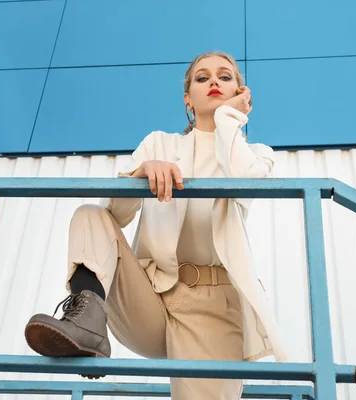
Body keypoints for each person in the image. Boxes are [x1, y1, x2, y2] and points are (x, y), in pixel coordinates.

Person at [24, 51, 285, 400]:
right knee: (90, 214)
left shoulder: (257, 154)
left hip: (213, 305)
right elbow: (113, 216)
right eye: (202, 78)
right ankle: (86, 320)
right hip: (150, 295)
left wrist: (228, 119)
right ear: (187, 99)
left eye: (225, 77)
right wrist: (140, 173)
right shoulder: (159, 144)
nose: (213, 83)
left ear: (242, 93)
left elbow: (244, 179)